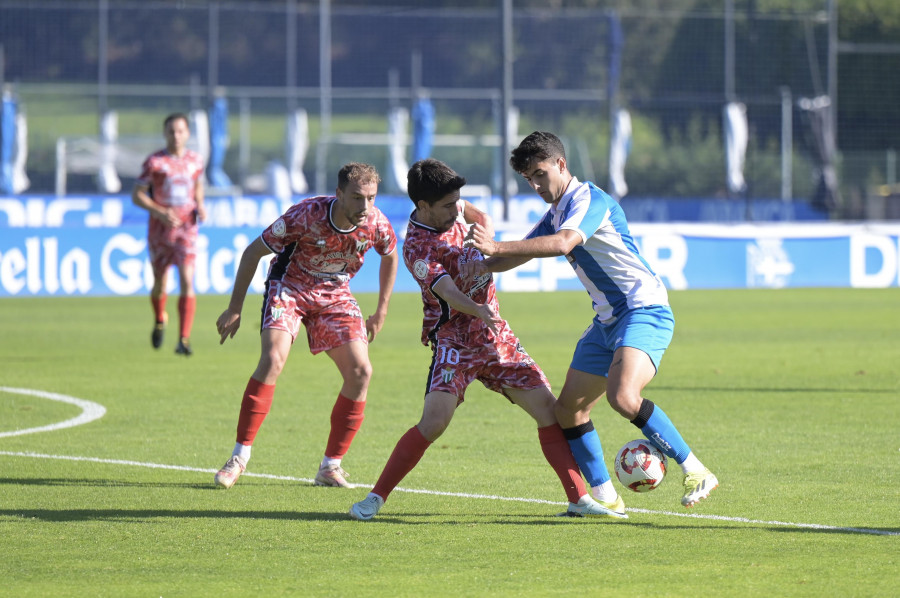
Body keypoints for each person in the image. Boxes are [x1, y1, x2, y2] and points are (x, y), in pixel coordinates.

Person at [349, 158, 623, 521]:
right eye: (447, 206)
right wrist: (478, 309)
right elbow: (445, 290)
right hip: (455, 342)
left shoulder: (453, 205)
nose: (455, 210)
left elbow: (476, 214)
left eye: (456, 202)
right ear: (423, 207)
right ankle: (375, 498)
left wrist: (488, 235)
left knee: (549, 411)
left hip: (496, 337)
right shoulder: (416, 246)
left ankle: (578, 499)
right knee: (434, 423)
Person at [464, 131, 718, 509]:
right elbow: (519, 255)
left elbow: (563, 243)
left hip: (643, 309)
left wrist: (496, 247)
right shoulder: (556, 212)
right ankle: (605, 498)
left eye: (539, 174)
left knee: (623, 397)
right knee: (568, 410)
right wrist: (476, 266)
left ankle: (696, 470)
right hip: (607, 322)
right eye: (528, 180)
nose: (535, 185)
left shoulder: (589, 200)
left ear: (561, 165)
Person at [213, 162, 399, 490]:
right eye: (357, 197)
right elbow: (252, 252)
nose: (365, 206)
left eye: (371, 198)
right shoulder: (306, 216)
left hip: (335, 295)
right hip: (290, 288)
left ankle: (330, 467)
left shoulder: (377, 224)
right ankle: (239, 458)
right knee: (273, 360)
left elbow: (390, 255)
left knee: (361, 372)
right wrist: (234, 308)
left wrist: (381, 310)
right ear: (339, 194)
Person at [132, 112, 206, 356]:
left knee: (187, 280)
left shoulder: (196, 161)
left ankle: (184, 339)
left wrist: (201, 205)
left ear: (187, 134)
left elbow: (196, 186)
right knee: (159, 283)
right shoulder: (155, 162)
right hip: (161, 230)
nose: (176, 136)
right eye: (171, 131)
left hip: (187, 229)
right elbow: (137, 195)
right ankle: (159, 318)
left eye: (180, 131)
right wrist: (160, 212)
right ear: (165, 134)